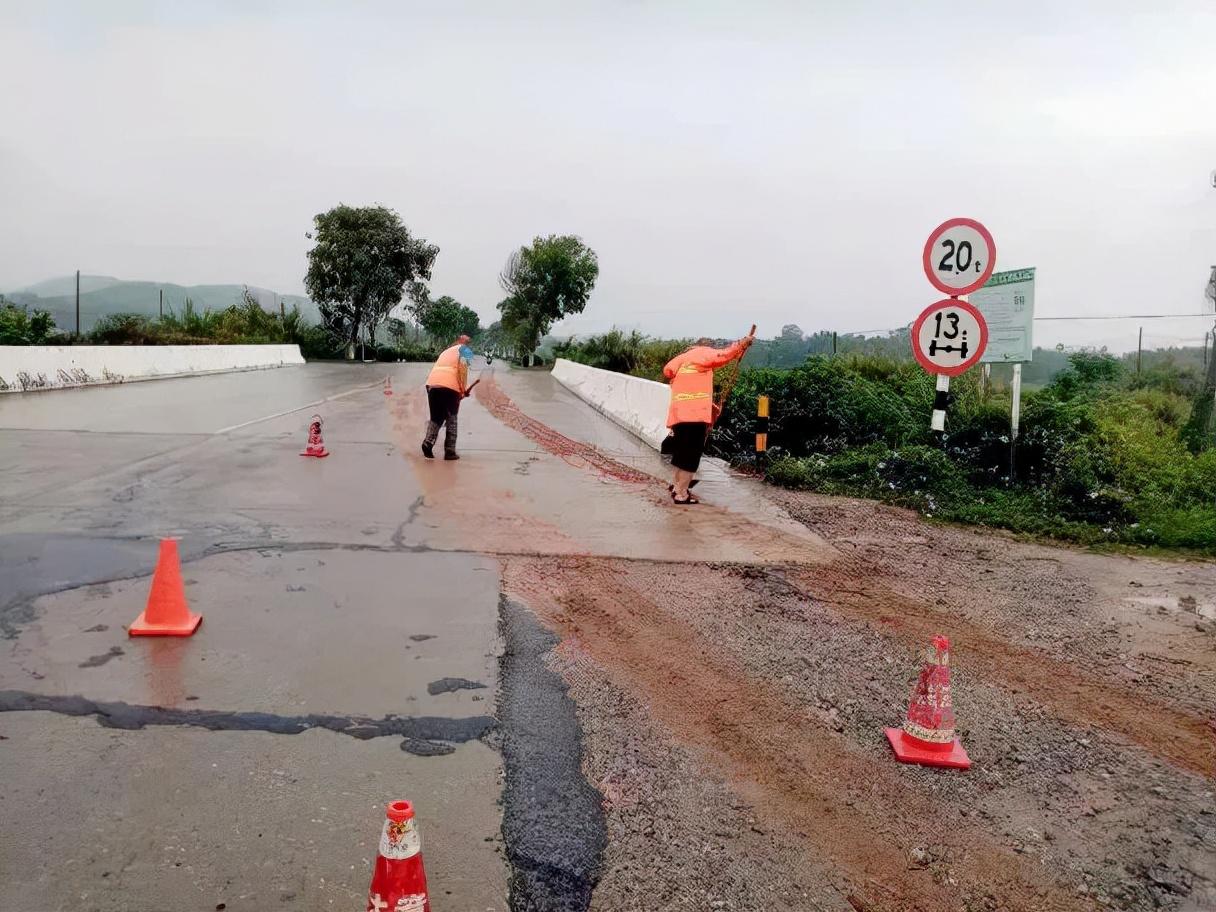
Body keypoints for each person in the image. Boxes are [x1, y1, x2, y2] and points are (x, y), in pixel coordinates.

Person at [662, 328, 755, 504]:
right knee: (690, 456)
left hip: (679, 414)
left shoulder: (682, 359)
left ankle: (677, 488)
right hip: (694, 416)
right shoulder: (703, 354)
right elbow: (724, 355)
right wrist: (743, 343)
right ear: (707, 347)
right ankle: (682, 494)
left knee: (682, 453)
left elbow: (667, 371)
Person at [422, 334, 475, 460]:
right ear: (466, 343)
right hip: (450, 387)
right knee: (452, 418)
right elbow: (462, 372)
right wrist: (462, 391)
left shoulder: (446, 352)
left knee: (436, 417)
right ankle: (450, 452)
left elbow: (436, 369)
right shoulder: (465, 351)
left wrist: (430, 388)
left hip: (432, 385)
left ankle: (427, 443)